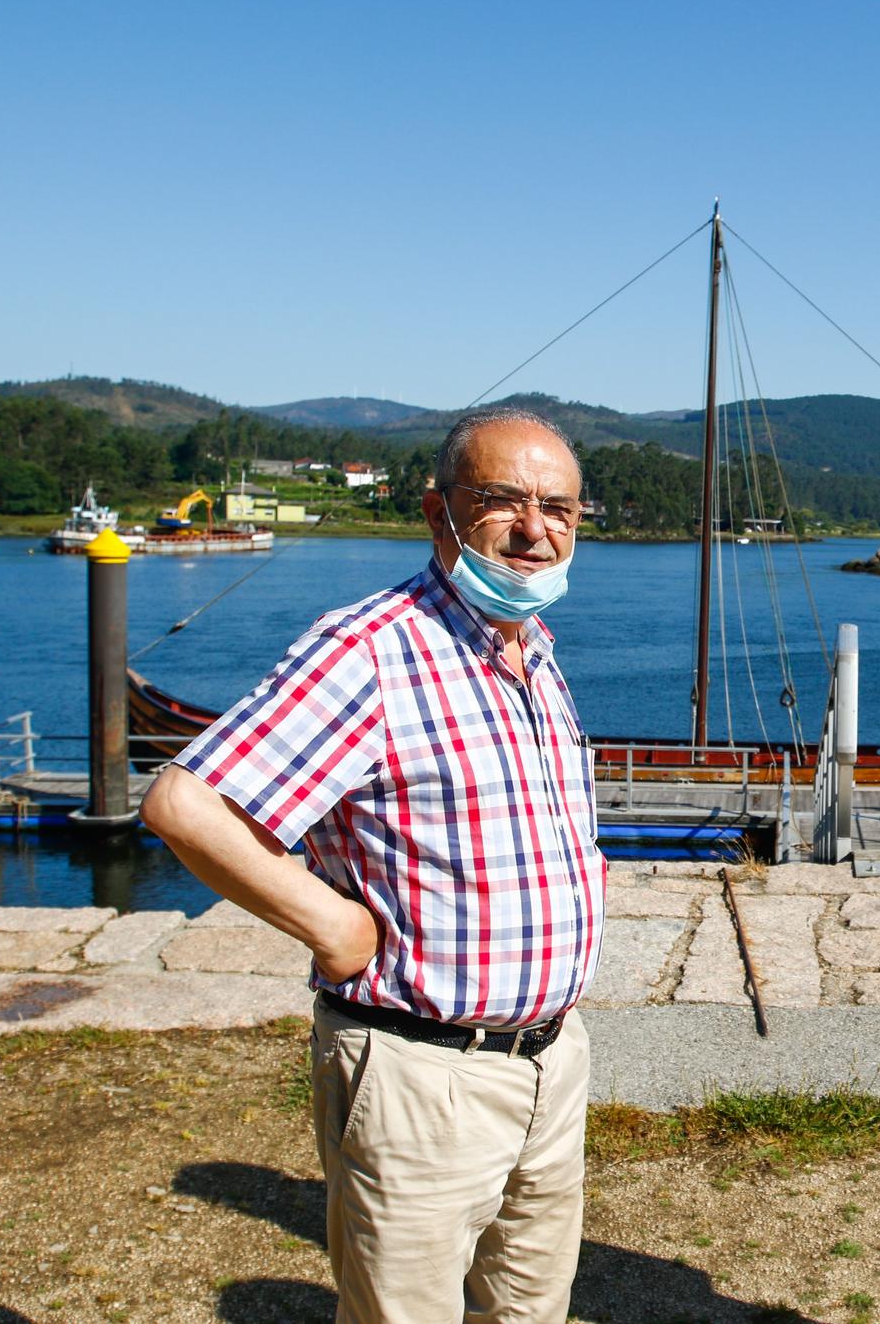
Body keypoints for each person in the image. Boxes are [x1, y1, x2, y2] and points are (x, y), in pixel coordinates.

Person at [141, 408, 605, 1323]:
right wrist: (331, 922)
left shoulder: (534, 652)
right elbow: (185, 804)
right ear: (439, 515)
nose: (535, 527)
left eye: (558, 507)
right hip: (419, 1073)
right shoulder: (373, 650)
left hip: (552, 1062)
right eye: (501, 501)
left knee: (530, 1312)